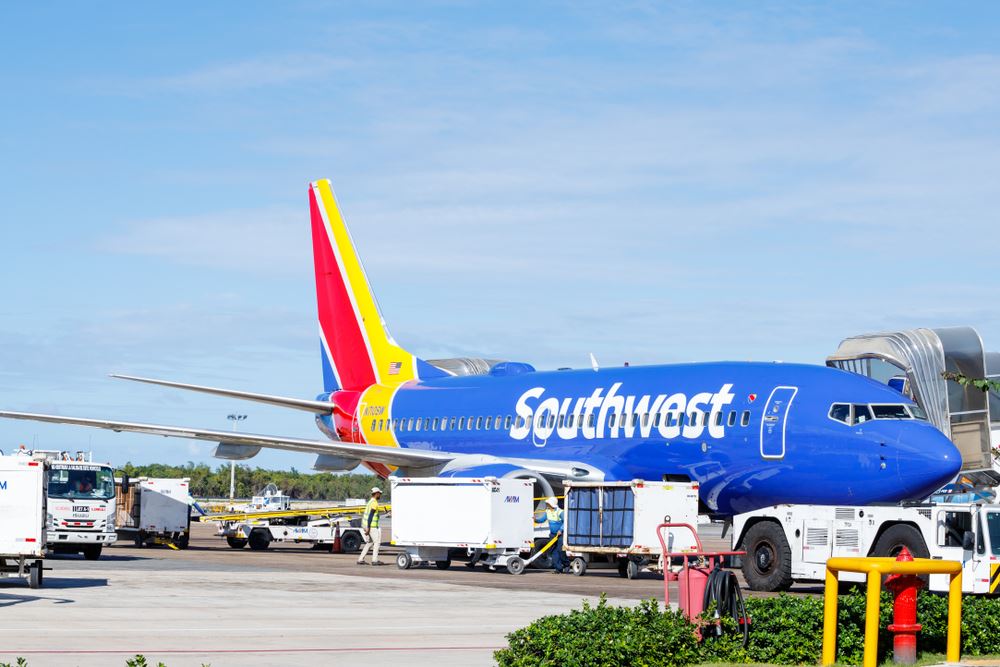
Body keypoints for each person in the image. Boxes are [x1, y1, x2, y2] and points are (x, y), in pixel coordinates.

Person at [357, 487, 385, 566]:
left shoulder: (370, 502)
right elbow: (371, 515)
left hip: (365, 524)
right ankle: (374, 560)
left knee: (370, 542)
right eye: (379, 493)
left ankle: (360, 559)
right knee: (377, 542)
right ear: (376, 494)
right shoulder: (374, 503)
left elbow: (373, 514)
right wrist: (369, 528)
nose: (380, 495)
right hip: (371, 526)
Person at [544, 497, 566, 573]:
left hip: (560, 534)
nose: (547, 505)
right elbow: (542, 519)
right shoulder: (547, 511)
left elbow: (565, 522)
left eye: (548, 503)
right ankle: (558, 568)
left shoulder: (560, 512)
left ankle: (566, 564)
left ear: (552, 504)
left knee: (560, 550)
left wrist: (560, 530)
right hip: (553, 535)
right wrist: (535, 519)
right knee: (554, 551)